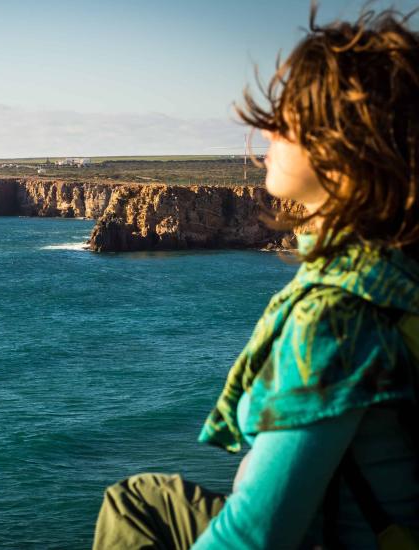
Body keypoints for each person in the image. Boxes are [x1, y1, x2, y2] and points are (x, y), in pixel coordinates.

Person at [92, 3, 419, 549]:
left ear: (342, 147)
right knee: (141, 499)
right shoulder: (399, 274)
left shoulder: (335, 318)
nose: (263, 131)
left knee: (133, 510)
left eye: (286, 119)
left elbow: (255, 535)